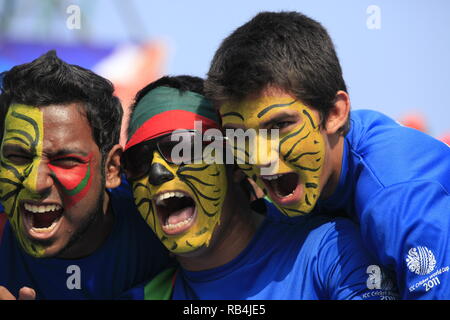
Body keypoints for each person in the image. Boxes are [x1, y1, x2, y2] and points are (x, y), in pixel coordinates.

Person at [205, 11, 450, 299]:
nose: (260, 156)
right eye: (242, 135)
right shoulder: (316, 165)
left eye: (280, 125)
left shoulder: (399, 196)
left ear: (335, 113)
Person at [122, 75, 398, 300]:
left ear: (236, 162)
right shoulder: (143, 296)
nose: (157, 172)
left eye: (182, 149)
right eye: (138, 161)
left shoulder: (329, 251)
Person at [0, 51, 170, 300]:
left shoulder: (163, 225)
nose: (35, 183)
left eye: (65, 160)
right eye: (18, 157)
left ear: (111, 168)